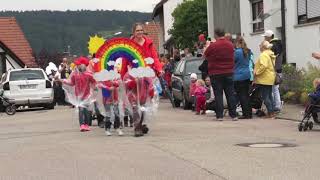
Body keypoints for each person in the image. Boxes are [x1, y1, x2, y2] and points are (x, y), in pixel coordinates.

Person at [204, 28, 237, 121]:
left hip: (216, 73)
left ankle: (220, 116)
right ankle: (233, 115)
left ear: (216, 35)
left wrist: (207, 46)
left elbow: (205, 55)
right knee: (230, 94)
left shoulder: (213, 46)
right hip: (229, 72)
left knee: (218, 95)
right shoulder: (230, 45)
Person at [60, 57, 96, 131]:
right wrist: (62, 80)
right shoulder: (75, 75)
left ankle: (86, 124)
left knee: (86, 111)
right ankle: (82, 125)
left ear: (84, 66)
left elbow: (94, 82)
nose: (77, 66)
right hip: (78, 96)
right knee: (81, 109)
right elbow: (71, 83)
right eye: (77, 65)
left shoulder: (89, 74)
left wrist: (95, 87)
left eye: (79, 65)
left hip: (87, 95)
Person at [254, 41, 276, 118]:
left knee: (265, 97)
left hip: (264, 78)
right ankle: (272, 112)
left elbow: (264, 66)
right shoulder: (270, 54)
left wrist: (257, 72)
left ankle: (270, 113)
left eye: (260, 45)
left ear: (263, 47)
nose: (259, 46)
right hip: (270, 77)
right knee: (270, 96)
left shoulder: (263, 55)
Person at [263, 30, 283, 112]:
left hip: (274, 70)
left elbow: (271, 57)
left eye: (265, 37)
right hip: (278, 69)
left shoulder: (273, 45)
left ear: (269, 37)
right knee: (275, 88)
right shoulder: (279, 43)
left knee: (273, 89)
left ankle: (276, 105)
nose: (264, 38)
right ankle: (277, 105)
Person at [233, 36, 253, 119]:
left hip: (238, 76)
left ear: (237, 43)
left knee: (241, 96)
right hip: (247, 75)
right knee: (246, 95)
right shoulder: (248, 51)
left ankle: (246, 114)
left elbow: (232, 61)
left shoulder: (237, 52)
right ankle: (249, 113)